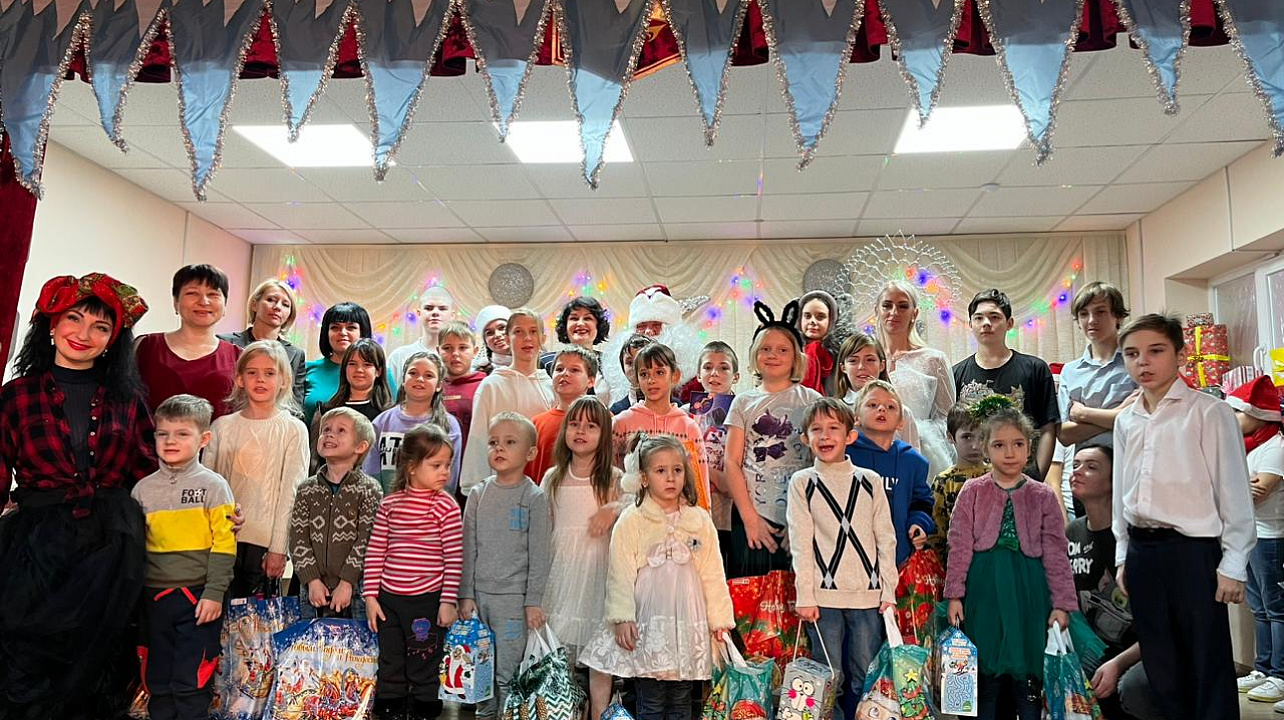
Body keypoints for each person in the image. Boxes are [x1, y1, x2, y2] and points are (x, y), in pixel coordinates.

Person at [0, 273, 152, 719]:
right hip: (35, 547)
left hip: (112, 545)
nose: (84, 334)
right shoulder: (15, 396)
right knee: (24, 658)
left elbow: (151, 476)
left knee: (99, 666)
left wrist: (207, 513)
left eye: (100, 327)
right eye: (74, 318)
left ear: (113, 341)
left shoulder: (128, 399)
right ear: (51, 324)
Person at [1113, 313, 1255, 720]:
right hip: (1143, 551)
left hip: (1193, 552)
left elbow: (1234, 493)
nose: (1143, 362)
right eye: (1132, 354)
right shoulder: (1126, 420)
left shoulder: (1209, 413)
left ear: (1179, 354)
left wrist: (1233, 564)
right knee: (1161, 662)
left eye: (1155, 351)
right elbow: (1123, 492)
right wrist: (1123, 554)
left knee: (1206, 660)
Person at [580, 435, 734, 720]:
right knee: (650, 699)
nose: (670, 478)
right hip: (649, 624)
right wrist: (622, 617)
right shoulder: (633, 519)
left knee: (681, 699)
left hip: (686, 623)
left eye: (677, 470)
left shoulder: (699, 520)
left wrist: (720, 621)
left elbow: (713, 573)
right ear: (644, 478)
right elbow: (620, 573)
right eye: (661, 470)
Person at [945, 405, 1077, 720]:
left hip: (1029, 591)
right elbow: (959, 544)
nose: (1009, 452)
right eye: (999, 445)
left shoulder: (1043, 495)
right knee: (984, 672)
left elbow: (1056, 551)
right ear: (985, 449)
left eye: (1018, 444)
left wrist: (1062, 603)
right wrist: (955, 595)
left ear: (1029, 447)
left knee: (1028, 675)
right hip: (984, 590)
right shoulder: (972, 491)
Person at [787, 398, 897, 720]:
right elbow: (800, 543)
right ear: (805, 438)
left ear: (850, 435)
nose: (825, 436)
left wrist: (888, 591)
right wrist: (805, 595)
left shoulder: (870, 481)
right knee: (827, 678)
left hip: (867, 595)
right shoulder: (802, 482)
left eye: (834, 428)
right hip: (822, 599)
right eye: (816, 429)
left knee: (866, 675)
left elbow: (886, 538)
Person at [132, 394, 236, 720]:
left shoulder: (214, 486)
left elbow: (224, 543)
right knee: (157, 676)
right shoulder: (141, 490)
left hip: (198, 597)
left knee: (192, 678)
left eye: (182, 434)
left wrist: (214, 593)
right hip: (154, 600)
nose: (170, 441)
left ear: (204, 439)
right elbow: (135, 549)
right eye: (162, 434)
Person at [363, 424, 462, 720]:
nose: (444, 472)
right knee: (391, 656)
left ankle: (423, 705)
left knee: (424, 657)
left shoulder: (446, 507)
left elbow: (454, 558)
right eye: (436, 465)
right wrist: (371, 596)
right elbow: (376, 551)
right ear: (411, 467)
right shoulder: (390, 504)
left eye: (447, 465)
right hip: (389, 600)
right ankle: (390, 704)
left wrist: (447, 601)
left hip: (426, 600)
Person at [459, 412, 552, 720]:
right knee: (479, 670)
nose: (499, 448)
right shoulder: (478, 494)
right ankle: (485, 715)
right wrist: (465, 595)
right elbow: (467, 548)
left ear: (530, 453)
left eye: (510, 442)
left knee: (507, 672)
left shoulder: (534, 497)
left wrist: (533, 601)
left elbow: (539, 554)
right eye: (493, 442)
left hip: (513, 602)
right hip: (479, 599)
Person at [541, 397, 628, 720]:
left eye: (591, 426)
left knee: (599, 653)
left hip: (598, 574)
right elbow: (544, 528)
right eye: (575, 424)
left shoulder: (614, 479)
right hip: (561, 575)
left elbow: (637, 507)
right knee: (559, 650)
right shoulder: (553, 478)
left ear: (604, 435)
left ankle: (599, 711)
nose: (581, 431)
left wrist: (613, 509)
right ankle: (562, 709)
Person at [204, 340, 310, 598]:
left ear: (284, 380)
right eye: (252, 372)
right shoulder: (221, 427)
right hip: (220, 541)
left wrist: (279, 548)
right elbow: (206, 487)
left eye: (270, 373)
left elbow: (291, 494)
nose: (260, 379)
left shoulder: (294, 430)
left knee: (255, 619)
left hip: (263, 546)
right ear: (240, 379)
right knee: (216, 611)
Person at [724, 300, 821, 578]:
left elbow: (820, 463)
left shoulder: (812, 401)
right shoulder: (743, 402)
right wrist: (749, 518)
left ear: (796, 357)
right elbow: (732, 463)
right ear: (755, 354)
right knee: (751, 594)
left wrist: (804, 521)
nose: (773, 355)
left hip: (800, 516)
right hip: (752, 518)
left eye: (782, 350)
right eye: (766, 349)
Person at [1066, 443, 1159, 720]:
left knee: (1133, 689)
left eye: (1091, 467)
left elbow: (1161, 626)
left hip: (1143, 650)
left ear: (1114, 481)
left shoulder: (1135, 538)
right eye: (1075, 465)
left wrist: (1117, 664)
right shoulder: (1072, 532)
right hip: (1095, 648)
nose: (1077, 472)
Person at [953, 289, 1059, 478]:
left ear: (1009, 323)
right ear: (970, 324)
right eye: (979, 318)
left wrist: (1036, 479)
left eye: (994, 317)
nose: (986, 323)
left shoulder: (1035, 369)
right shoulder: (956, 374)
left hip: (1023, 476)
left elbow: (1048, 429)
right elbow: (952, 432)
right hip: (973, 480)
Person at [292, 407, 383, 621]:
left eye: (341, 431)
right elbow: (298, 539)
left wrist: (347, 582)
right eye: (325, 430)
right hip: (314, 591)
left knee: (356, 642)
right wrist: (312, 580)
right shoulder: (307, 489)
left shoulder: (369, 490)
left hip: (355, 590)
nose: (329, 435)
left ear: (360, 446)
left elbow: (367, 540)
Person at [1227, 376, 1284, 703]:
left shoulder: (1275, 447)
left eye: (1238, 411)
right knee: (1259, 608)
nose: (1233, 418)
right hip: (1250, 535)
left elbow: (1259, 492)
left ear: (1258, 414)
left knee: (1276, 609)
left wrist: (1230, 486)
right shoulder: (1248, 447)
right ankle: (1263, 668)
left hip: (1271, 538)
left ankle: (1280, 674)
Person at [461, 308, 554, 493]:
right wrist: (474, 487)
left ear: (543, 339)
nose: (527, 338)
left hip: (541, 484)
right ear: (508, 338)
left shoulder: (550, 386)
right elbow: (478, 439)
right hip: (500, 486)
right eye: (518, 332)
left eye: (533, 331)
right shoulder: (491, 386)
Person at [846, 380, 933, 567]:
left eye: (890, 407)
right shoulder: (844, 455)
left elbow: (922, 502)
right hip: (849, 559)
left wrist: (919, 523)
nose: (881, 409)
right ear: (856, 418)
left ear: (901, 422)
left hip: (898, 560)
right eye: (872, 405)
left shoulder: (913, 462)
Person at [135, 264, 241, 419]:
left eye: (213, 294)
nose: (204, 301)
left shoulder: (239, 357)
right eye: (192, 293)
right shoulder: (145, 346)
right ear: (175, 302)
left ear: (225, 305)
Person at [613, 343, 710, 509]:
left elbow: (700, 485)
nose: (651, 380)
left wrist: (704, 519)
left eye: (659, 372)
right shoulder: (622, 423)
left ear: (675, 376)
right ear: (637, 379)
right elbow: (610, 477)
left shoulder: (688, 427)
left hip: (678, 517)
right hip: (632, 516)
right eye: (644, 374)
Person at [875, 280, 956, 478]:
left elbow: (947, 419)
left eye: (903, 306)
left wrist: (913, 433)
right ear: (877, 310)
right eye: (887, 305)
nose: (894, 312)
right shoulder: (867, 359)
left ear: (915, 313)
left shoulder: (933, 359)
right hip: (872, 454)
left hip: (921, 454)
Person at [1056, 281, 1138, 451]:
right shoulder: (1070, 371)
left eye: (1100, 312)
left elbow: (1141, 420)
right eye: (1084, 314)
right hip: (1084, 465)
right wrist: (1118, 413)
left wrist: (1083, 414)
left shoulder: (1137, 362)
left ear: (1118, 317)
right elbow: (1065, 435)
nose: (1092, 320)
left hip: (1130, 460)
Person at [366, 351, 461, 495]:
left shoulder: (449, 426)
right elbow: (371, 473)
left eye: (428, 375)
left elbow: (449, 478)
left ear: (439, 385)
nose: (420, 379)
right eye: (413, 373)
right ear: (403, 380)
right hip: (386, 505)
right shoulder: (381, 422)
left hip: (431, 506)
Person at [218, 278, 307, 410]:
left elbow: (295, 405)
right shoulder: (225, 343)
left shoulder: (296, 354)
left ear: (289, 314)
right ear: (255, 305)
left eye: (285, 305)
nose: (277, 307)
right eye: (271, 300)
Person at [684, 341, 739, 553]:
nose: (714, 373)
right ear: (698, 375)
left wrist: (707, 472)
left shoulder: (744, 412)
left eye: (723, 368)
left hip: (729, 514)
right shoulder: (683, 414)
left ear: (736, 376)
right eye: (708, 367)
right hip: (690, 509)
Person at [303, 302, 395, 425]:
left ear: (362, 332)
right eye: (335, 327)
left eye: (351, 327)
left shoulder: (382, 373)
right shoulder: (307, 369)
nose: (342, 332)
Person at [833, 332, 920, 448]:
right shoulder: (834, 412)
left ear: (882, 365)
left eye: (869, 360)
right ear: (843, 367)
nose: (861, 367)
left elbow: (912, 455)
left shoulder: (902, 413)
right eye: (853, 361)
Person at [925, 403, 988, 563]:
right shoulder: (944, 481)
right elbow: (936, 533)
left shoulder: (1000, 476)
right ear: (950, 437)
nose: (975, 445)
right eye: (967, 437)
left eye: (982, 437)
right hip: (956, 564)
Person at [529, 346, 597, 484]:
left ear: (590, 381)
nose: (565, 374)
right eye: (559, 369)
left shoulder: (604, 419)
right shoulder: (536, 423)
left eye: (575, 370)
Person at [541, 296, 612, 406]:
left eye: (587, 318)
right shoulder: (545, 362)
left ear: (598, 326)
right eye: (574, 318)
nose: (580, 323)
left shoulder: (610, 363)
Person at [438, 321, 487, 460]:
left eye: (463, 348)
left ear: (475, 351)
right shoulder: (433, 387)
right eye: (447, 348)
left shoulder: (485, 385)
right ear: (438, 350)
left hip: (474, 463)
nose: (455, 354)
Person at [387, 286, 457, 379]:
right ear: (419, 313)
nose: (435, 312)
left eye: (442, 308)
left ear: (452, 315)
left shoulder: (459, 359)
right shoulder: (399, 357)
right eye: (429, 308)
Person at [797, 289, 841, 396]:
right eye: (807, 316)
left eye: (820, 317)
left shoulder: (842, 353)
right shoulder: (789, 352)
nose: (812, 321)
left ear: (831, 320)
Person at [609, 332, 656, 415]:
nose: (635, 367)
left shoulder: (674, 406)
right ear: (623, 368)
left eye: (643, 360)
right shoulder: (616, 411)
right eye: (630, 362)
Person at [471, 305, 512, 374]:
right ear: (486, 343)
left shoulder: (531, 364)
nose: (497, 335)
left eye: (502, 328)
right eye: (489, 333)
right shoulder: (480, 374)